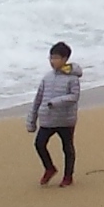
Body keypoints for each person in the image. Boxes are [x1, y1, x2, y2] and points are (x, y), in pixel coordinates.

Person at [28, 41, 81, 186]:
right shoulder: (47, 78)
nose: (52, 61)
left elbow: (74, 97)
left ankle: (68, 176)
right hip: (48, 119)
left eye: (56, 58)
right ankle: (49, 168)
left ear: (65, 59)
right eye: (51, 58)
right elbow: (38, 99)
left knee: (67, 148)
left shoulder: (73, 78)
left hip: (65, 119)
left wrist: (55, 101)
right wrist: (31, 120)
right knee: (39, 144)